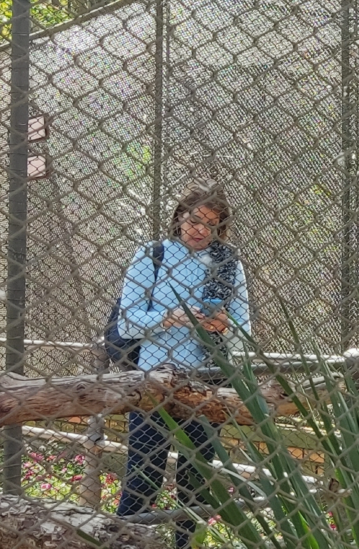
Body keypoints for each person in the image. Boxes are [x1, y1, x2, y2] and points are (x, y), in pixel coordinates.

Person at [114, 180, 252, 548]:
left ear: (220, 228)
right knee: (143, 477)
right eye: (194, 220)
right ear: (179, 218)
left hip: (206, 383)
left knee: (196, 481)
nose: (200, 230)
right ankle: (126, 541)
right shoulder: (152, 255)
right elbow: (127, 321)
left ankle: (187, 544)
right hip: (152, 382)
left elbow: (243, 331)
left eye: (210, 224)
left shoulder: (228, 262)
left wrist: (224, 324)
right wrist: (172, 316)